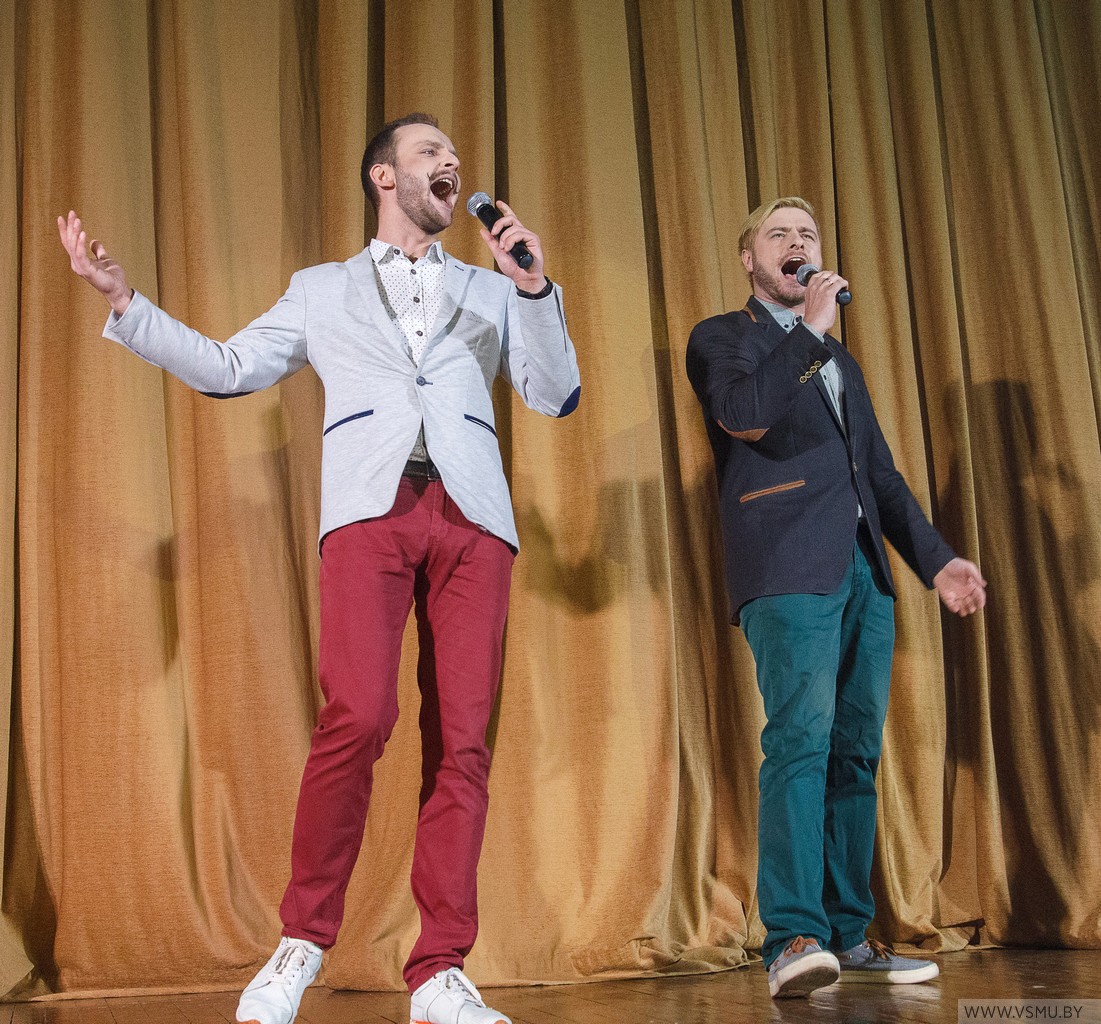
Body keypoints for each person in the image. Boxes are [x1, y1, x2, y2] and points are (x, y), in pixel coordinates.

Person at [58, 112, 580, 1024]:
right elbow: (228, 367)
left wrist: (532, 288)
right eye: (430, 153)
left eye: (453, 155)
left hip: (472, 518)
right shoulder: (321, 289)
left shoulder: (494, 287)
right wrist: (125, 302)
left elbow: (554, 392)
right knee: (358, 716)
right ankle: (300, 943)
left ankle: (440, 971)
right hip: (369, 512)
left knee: (463, 742)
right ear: (384, 176)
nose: (451, 162)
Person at [685, 197, 986, 999]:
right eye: (778, 234)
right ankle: (791, 938)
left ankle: (848, 933)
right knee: (800, 742)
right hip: (785, 565)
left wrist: (936, 562)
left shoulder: (839, 362)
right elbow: (743, 416)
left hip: (862, 571)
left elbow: (877, 473)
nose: (797, 243)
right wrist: (809, 333)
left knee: (855, 753)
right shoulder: (723, 337)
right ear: (749, 259)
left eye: (808, 234)